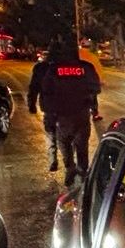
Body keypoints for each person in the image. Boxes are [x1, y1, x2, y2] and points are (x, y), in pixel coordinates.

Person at [37, 41, 102, 186]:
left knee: (64, 143)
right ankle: (83, 171)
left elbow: (46, 93)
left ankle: (70, 168)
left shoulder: (54, 70)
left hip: (62, 116)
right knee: (82, 145)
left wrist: (49, 112)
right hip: (81, 114)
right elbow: (96, 88)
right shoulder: (86, 67)